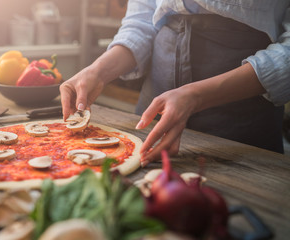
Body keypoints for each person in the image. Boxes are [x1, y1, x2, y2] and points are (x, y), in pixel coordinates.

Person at [60, 0, 290, 166]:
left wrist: (197, 95)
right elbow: (141, 22)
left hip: (241, 104)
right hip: (158, 90)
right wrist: (98, 71)